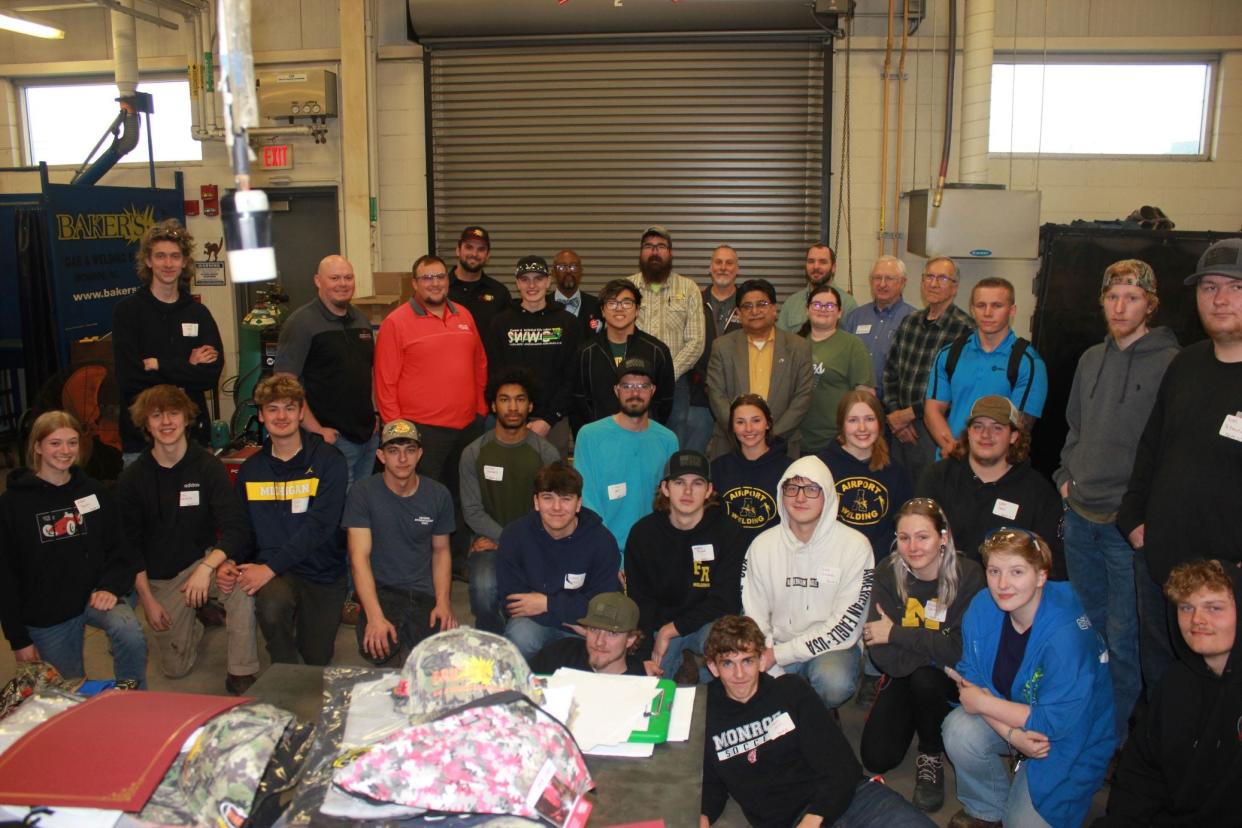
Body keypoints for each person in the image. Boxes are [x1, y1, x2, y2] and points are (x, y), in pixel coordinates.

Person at [1053, 258, 1178, 744]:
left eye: (1132, 296)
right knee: (1091, 631)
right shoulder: (1090, 359)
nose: (1120, 306)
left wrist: (1144, 513)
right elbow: (1075, 429)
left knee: (1127, 642)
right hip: (1080, 517)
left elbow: (1171, 449)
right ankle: (1087, 720)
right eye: (1112, 295)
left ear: (1150, 302)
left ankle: (1114, 742)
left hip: (1126, 528)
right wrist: (1066, 478)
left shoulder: (1171, 363)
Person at [1118, 238, 1242, 690]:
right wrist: (1132, 518)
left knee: (1223, 697)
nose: (1220, 298)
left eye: (1234, 287)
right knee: (1165, 682)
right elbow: (1151, 448)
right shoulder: (1186, 365)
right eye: (1209, 287)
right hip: (1163, 567)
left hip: (1228, 585)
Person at [943, 528, 1114, 828]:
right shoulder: (983, 606)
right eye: (994, 571)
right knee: (958, 731)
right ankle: (986, 807)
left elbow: (1056, 723)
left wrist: (982, 704)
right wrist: (1013, 736)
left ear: (1041, 576)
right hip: (1017, 720)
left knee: (1021, 824)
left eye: (1017, 572)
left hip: (1068, 738)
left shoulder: (1066, 634)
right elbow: (972, 682)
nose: (1003, 584)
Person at [701, 615, 934, 828]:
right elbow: (710, 786)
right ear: (713, 667)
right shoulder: (704, 714)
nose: (739, 674)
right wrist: (699, 819)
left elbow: (843, 766)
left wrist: (815, 817)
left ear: (762, 660)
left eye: (747, 661)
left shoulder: (790, 691)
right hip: (790, 820)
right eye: (728, 663)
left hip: (853, 800)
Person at [117, 385, 257, 694]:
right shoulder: (132, 479)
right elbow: (129, 549)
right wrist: (149, 602)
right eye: (157, 415)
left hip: (202, 561)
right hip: (161, 578)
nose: (166, 422)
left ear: (186, 419)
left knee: (238, 584)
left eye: (173, 413)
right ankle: (197, 616)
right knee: (176, 670)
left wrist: (209, 568)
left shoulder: (207, 467)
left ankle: (241, 671)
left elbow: (236, 528)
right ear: (145, 423)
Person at [0, 411, 146, 685]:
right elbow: (5, 576)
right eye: (55, 443)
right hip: (47, 611)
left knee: (130, 633)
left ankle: (133, 698)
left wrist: (110, 586)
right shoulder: (12, 505)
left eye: (72, 442)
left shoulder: (92, 492)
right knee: (69, 689)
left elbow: (120, 548)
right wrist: (18, 639)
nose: (65, 451)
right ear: (38, 447)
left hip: (93, 594)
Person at [1093, 559, 1242, 827]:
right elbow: (1141, 775)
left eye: (1214, 608)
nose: (1197, 620)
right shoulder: (1175, 682)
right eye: (1186, 607)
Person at [859, 498, 986, 813]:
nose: (913, 546)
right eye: (904, 538)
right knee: (876, 759)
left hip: (945, 681)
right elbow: (883, 656)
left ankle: (930, 752)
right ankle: (921, 714)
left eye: (923, 537)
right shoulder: (888, 572)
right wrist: (934, 646)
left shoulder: (969, 576)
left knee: (927, 679)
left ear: (943, 537)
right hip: (901, 673)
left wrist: (898, 633)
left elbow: (961, 651)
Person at [224, 375, 348, 666]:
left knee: (316, 656)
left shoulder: (329, 461)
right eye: (273, 409)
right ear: (261, 416)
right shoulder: (251, 470)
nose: (282, 416)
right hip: (276, 574)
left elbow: (321, 526)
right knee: (272, 605)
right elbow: (244, 528)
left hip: (321, 572)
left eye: (290, 408)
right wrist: (231, 560)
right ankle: (282, 667)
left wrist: (268, 568)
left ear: (302, 412)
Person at [741, 455, 874, 712]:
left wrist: (779, 656)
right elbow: (753, 613)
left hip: (832, 649)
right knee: (750, 679)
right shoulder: (762, 545)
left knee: (832, 682)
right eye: (792, 488)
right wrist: (769, 655)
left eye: (812, 489)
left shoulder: (856, 546)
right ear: (782, 494)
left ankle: (815, 712)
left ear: (827, 496)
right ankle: (799, 708)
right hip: (773, 644)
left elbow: (844, 627)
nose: (800, 498)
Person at [343, 419, 457, 667]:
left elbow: (441, 551)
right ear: (381, 455)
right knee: (376, 648)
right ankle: (397, 648)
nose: (402, 458)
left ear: (420, 454)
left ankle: (408, 647)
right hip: (383, 590)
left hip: (422, 591)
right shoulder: (362, 493)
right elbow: (358, 558)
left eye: (410, 450)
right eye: (394, 451)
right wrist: (373, 616)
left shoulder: (438, 495)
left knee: (439, 658)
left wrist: (443, 603)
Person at [625, 450, 746, 681]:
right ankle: (684, 666)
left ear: (709, 490)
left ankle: (704, 675)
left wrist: (671, 630)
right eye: (679, 482)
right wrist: (645, 653)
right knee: (651, 686)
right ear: (665, 488)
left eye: (697, 483)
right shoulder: (643, 534)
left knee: (730, 645)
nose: (688, 491)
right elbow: (640, 601)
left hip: (708, 623)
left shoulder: (728, 532)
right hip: (657, 624)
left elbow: (725, 600)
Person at [112, 218, 223, 464]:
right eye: (160, 256)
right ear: (149, 261)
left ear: (184, 262)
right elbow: (130, 378)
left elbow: (209, 375)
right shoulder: (128, 312)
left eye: (175, 256)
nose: (168, 263)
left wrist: (159, 365)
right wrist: (187, 367)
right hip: (141, 442)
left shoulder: (198, 313)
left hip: (193, 438)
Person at [459, 367, 560, 634]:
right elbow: (472, 511)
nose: (512, 407)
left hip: (537, 543)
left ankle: (520, 640)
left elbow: (554, 509)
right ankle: (493, 642)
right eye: (504, 399)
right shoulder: (474, 452)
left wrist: (517, 541)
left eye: (520, 399)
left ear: (531, 405)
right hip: (489, 543)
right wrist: (504, 538)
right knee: (483, 589)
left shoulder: (546, 454)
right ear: (493, 405)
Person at [374, 253, 487, 485]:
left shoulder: (464, 315)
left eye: (440, 276)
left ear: (448, 279)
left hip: (467, 427)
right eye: (427, 278)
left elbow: (480, 364)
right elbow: (385, 381)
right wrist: (398, 431)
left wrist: (480, 410)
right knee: (424, 496)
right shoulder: (395, 323)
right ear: (415, 283)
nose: (435, 283)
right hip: (422, 431)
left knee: (462, 495)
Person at [916, 395, 1063, 572]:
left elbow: (1049, 563)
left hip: (1006, 593)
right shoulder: (937, 477)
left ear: (1014, 436)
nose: (986, 435)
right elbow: (916, 541)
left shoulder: (1038, 493)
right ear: (968, 432)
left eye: (997, 428)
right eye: (978, 426)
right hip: (942, 584)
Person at [495, 461, 621, 660]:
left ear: (578, 503)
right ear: (536, 502)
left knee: (605, 648)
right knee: (519, 638)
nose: (556, 507)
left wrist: (547, 603)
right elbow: (514, 602)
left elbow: (602, 605)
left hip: (584, 627)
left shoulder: (602, 541)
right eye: (548, 498)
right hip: (534, 622)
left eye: (566, 499)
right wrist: (571, 609)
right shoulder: (514, 535)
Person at [274, 254, 378, 487]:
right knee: (337, 510)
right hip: (331, 439)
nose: (343, 283)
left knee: (359, 509)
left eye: (348, 277)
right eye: (335, 278)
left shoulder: (360, 320)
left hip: (367, 436)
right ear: (318, 281)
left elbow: (368, 372)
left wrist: (375, 415)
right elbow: (284, 382)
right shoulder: (301, 323)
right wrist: (316, 429)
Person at [924, 277, 1048, 458]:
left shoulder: (1027, 362)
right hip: (951, 461)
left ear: (1012, 310)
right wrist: (954, 449)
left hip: (997, 467)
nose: (988, 313)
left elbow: (1020, 426)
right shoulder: (950, 354)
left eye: (997, 306)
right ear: (972, 310)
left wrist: (978, 458)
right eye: (981, 305)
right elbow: (932, 410)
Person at [882, 257, 976, 484]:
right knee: (899, 489)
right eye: (929, 277)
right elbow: (890, 372)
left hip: (936, 430)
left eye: (942, 278)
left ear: (955, 287)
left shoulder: (966, 330)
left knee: (932, 490)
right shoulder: (909, 322)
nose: (934, 284)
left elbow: (959, 388)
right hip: (899, 428)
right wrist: (896, 416)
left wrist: (912, 413)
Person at [573, 356, 679, 552]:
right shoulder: (590, 436)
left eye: (643, 386)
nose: (635, 393)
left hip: (653, 551)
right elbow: (587, 500)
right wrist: (610, 554)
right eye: (627, 385)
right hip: (603, 550)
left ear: (653, 390)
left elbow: (672, 502)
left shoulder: (667, 440)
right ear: (616, 390)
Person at [706, 278, 813, 458]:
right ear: (738, 313)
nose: (754, 311)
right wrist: (741, 430)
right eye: (747, 306)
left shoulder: (799, 347)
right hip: (731, 446)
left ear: (774, 309)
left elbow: (803, 397)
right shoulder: (722, 347)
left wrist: (772, 434)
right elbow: (716, 394)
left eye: (762, 304)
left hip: (782, 444)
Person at [486, 255, 581, 438]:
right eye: (525, 279)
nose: (532, 285)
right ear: (517, 283)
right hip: (510, 419)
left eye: (538, 279)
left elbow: (572, 377)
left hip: (553, 423)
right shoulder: (500, 323)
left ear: (548, 282)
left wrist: (549, 419)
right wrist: (512, 414)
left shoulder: (568, 324)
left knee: (552, 467)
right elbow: (495, 375)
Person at [627, 225, 705, 448]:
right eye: (649, 246)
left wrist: (666, 373)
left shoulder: (688, 288)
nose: (654, 251)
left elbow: (696, 341)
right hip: (632, 383)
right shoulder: (626, 287)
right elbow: (617, 334)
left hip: (675, 383)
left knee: (670, 443)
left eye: (661, 246)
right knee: (634, 441)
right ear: (641, 253)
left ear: (671, 253)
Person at [820, 390, 913, 564]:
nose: (862, 428)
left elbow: (902, 526)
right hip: (830, 564)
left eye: (869, 419)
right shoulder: (821, 467)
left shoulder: (895, 471)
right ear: (841, 425)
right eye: (853, 420)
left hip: (879, 565)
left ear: (880, 424)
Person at [571, 279, 675, 434]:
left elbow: (664, 401)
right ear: (603, 311)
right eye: (612, 303)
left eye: (627, 303)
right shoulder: (586, 352)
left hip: (643, 436)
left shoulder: (657, 351)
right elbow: (579, 402)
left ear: (637, 309)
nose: (619, 309)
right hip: (600, 437)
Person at [798, 284, 875, 454]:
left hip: (836, 439)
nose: (823, 309)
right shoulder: (795, 343)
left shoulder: (852, 345)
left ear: (839, 312)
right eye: (817, 305)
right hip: (799, 439)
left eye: (830, 306)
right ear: (807, 309)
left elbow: (866, 396)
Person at [686, 245, 742, 454]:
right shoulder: (695, 301)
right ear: (710, 268)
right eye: (718, 262)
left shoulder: (747, 305)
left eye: (729, 263)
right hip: (697, 398)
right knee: (693, 458)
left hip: (735, 398)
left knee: (730, 460)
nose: (723, 268)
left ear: (737, 269)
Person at [710, 394, 787, 545]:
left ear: (768, 423)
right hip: (729, 555)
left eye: (756, 421)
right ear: (732, 427)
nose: (749, 429)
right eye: (740, 422)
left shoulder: (789, 469)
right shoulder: (718, 468)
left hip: (772, 554)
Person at [844, 255, 916, 397]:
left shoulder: (914, 320)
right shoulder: (855, 317)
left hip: (895, 408)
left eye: (889, 278)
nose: (882, 284)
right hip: (858, 402)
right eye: (877, 278)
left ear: (902, 282)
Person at [529, 592, 650, 676]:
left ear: (630, 639)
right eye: (594, 629)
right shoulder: (560, 655)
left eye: (612, 633)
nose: (599, 641)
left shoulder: (640, 682)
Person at [775, 243, 859, 333]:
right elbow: (781, 342)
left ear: (833, 267)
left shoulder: (847, 304)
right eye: (811, 261)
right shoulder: (791, 303)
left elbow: (853, 343)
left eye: (822, 262)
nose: (816, 267)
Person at [448, 225, 511, 336]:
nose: (474, 254)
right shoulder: (440, 290)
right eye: (469, 247)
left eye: (481, 249)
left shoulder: (500, 293)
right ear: (458, 250)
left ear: (487, 256)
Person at [550, 249, 602, 337]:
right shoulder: (543, 306)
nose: (568, 271)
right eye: (562, 267)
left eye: (573, 266)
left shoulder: (597, 306)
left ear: (581, 271)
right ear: (553, 272)